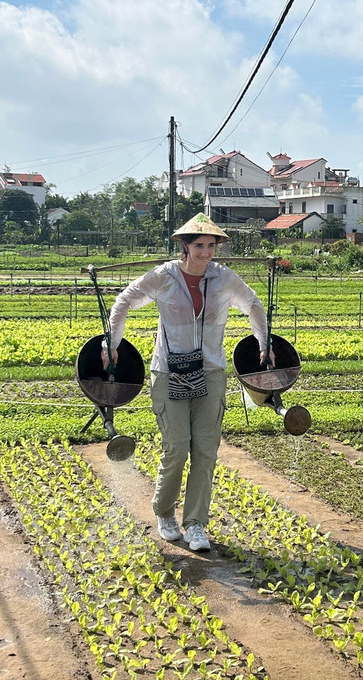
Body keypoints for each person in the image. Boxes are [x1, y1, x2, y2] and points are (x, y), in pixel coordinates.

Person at [103, 213, 270, 551]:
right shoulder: (164, 277)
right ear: (183, 246)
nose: (206, 253)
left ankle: (195, 524)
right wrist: (112, 343)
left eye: (211, 246)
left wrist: (263, 341)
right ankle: (164, 512)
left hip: (210, 371)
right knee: (177, 447)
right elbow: (124, 301)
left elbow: (252, 303)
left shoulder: (223, 279)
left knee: (205, 451)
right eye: (199, 246)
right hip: (169, 371)